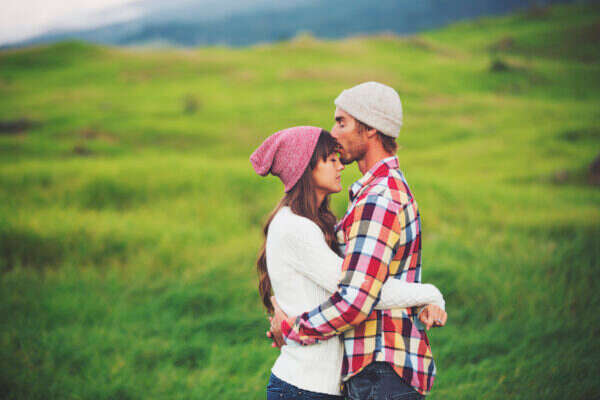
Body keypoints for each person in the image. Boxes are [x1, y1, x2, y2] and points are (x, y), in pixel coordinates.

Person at [269, 83, 446, 400]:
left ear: (371, 129)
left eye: (342, 122)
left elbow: (357, 298)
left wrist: (292, 329)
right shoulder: (375, 193)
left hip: (380, 367)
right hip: (378, 370)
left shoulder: (378, 198)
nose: (334, 133)